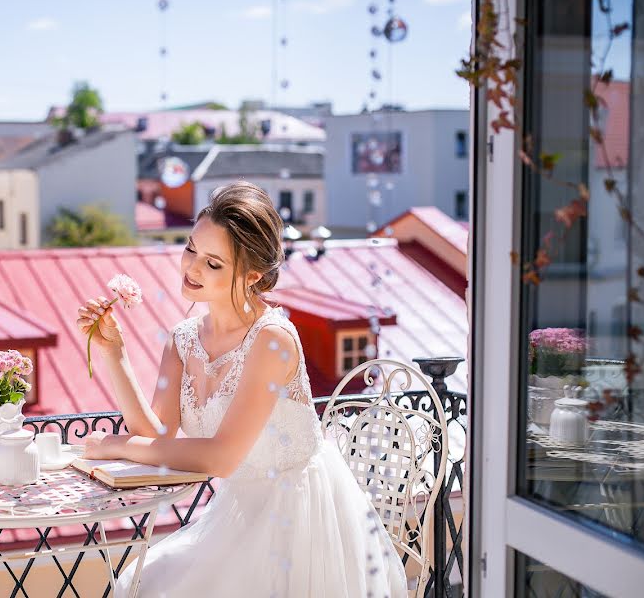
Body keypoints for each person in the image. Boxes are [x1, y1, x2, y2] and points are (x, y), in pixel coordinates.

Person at [75, 181, 407, 597]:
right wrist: (114, 354)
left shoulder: (272, 341)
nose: (192, 268)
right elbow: (157, 432)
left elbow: (222, 457)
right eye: (191, 249)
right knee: (148, 584)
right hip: (240, 511)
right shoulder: (182, 339)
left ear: (251, 275)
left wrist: (120, 447)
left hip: (300, 516)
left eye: (213, 264)